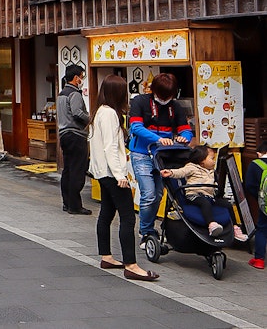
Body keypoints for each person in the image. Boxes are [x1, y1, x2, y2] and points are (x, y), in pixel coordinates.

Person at [89, 75, 159, 281]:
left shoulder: (99, 111)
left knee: (107, 213)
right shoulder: (110, 114)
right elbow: (110, 147)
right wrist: (120, 175)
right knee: (128, 217)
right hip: (112, 174)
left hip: (102, 172)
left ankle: (107, 256)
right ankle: (131, 264)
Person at [129, 72, 192, 246]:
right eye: (162, 95)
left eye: (169, 95)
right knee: (149, 194)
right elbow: (136, 127)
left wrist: (184, 137)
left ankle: (149, 229)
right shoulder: (140, 101)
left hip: (164, 156)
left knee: (158, 194)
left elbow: (186, 129)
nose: (165, 99)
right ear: (153, 90)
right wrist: (157, 139)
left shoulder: (175, 107)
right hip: (142, 153)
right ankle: (146, 232)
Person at [162, 145, 231, 237]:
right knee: (205, 203)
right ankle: (211, 224)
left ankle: (234, 227)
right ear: (202, 160)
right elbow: (181, 172)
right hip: (194, 195)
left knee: (227, 204)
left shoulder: (211, 171)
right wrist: (171, 172)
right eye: (212, 158)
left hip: (209, 196)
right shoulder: (192, 167)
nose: (214, 161)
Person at [57, 64, 91, 214]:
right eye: (82, 76)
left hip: (64, 134)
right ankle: (75, 205)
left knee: (68, 170)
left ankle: (67, 202)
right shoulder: (74, 94)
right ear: (76, 77)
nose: (82, 79)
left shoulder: (61, 94)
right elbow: (77, 112)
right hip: (76, 135)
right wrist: (90, 119)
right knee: (77, 170)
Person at [244, 141, 267, 270]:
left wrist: (260, 198)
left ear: (259, 153)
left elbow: (249, 186)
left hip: (265, 204)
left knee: (262, 229)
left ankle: (259, 260)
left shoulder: (255, 164)